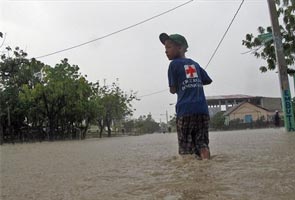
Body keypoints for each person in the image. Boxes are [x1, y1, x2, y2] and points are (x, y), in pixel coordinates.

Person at [159, 33, 212, 160]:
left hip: (185, 110)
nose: (166, 51)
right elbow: (207, 80)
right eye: (165, 49)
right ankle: (207, 164)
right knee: (202, 144)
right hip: (202, 110)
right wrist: (194, 83)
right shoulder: (195, 64)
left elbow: (172, 90)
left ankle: (189, 175)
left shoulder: (173, 65)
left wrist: (181, 85)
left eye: (169, 47)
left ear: (181, 48)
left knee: (186, 148)